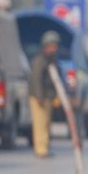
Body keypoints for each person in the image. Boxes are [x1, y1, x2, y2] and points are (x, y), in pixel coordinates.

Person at [28, 30, 60, 158]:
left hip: (48, 96)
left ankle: (45, 146)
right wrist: (39, 96)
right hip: (39, 97)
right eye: (53, 45)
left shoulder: (51, 60)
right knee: (40, 123)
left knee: (46, 123)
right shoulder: (40, 60)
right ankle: (41, 149)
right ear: (47, 45)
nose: (55, 48)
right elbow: (36, 79)